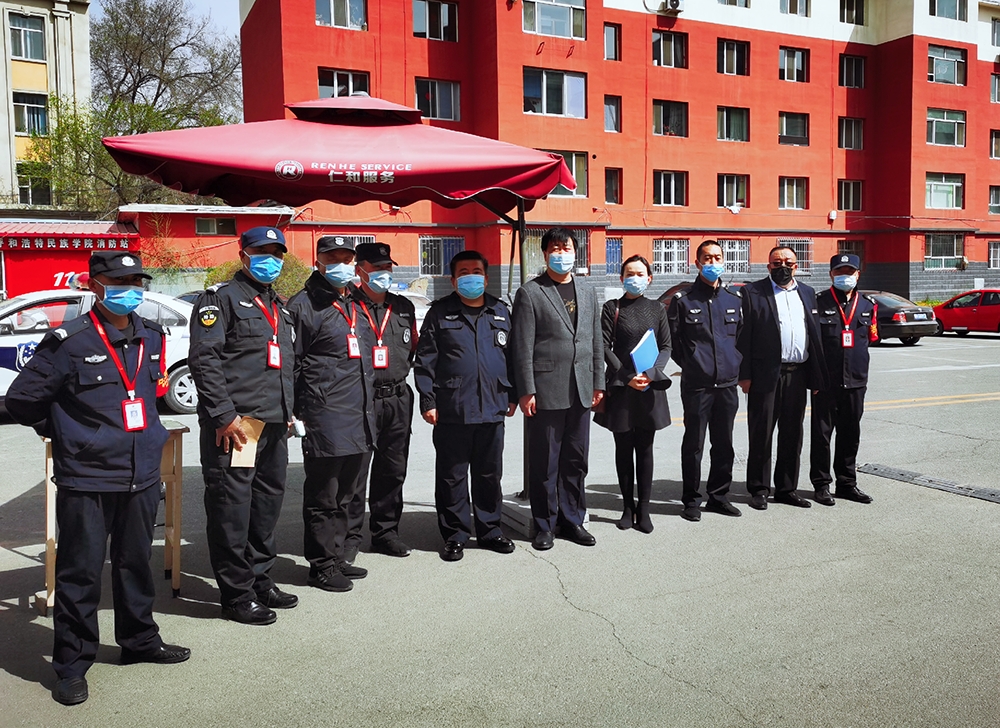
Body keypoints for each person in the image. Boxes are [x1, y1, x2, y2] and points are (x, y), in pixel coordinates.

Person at [6, 252, 190, 706]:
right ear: (94, 285)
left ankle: (139, 640)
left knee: (135, 564)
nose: (130, 289)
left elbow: (147, 394)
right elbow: (23, 400)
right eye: (119, 281)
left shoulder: (151, 335)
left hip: (140, 474)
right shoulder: (68, 341)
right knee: (80, 573)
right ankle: (72, 665)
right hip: (86, 478)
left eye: (137, 281)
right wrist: (67, 432)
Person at [188, 226, 298, 626]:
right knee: (232, 509)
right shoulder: (220, 300)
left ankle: (260, 580)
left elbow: (284, 364)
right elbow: (205, 359)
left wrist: (289, 410)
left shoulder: (278, 304)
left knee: (266, 506)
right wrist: (224, 415)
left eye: (277, 253)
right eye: (261, 251)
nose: (271, 259)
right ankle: (236, 595)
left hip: (273, 423)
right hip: (239, 425)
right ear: (243, 254)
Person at [414, 250, 518, 561]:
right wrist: (428, 400)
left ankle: (490, 530)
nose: (471, 277)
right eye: (464, 272)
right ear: (453, 280)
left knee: (489, 474)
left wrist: (514, 395)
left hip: (492, 406)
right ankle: (455, 535)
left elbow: (512, 358)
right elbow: (425, 360)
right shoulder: (440, 313)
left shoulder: (500, 311)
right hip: (452, 408)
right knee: (452, 476)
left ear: (485, 278)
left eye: (476, 271)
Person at [286, 236, 375, 592]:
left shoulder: (352, 299)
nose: (340, 264)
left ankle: (337, 557)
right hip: (325, 415)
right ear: (318, 261)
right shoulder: (304, 305)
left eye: (346, 258)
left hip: (359, 414)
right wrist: (297, 412)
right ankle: (321, 566)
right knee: (324, 496)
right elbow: (292, 364)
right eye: (332, 258)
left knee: (347, 495)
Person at [511, 227, 604, 550]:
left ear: (576, 253)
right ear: (545, 253)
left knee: (576, 461)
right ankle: (544, 525)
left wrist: (598, 382)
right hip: (546, 389)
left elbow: (595, 340)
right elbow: (522, 346)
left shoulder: (588, 291)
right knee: (545, 463)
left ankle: (573, 519)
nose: (561, 254)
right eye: (555, 248)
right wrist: (526, 389)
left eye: (566, 248)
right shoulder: (531, 293)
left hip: (581, 388)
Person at [737, 245, 826, 510]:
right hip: (764, 376)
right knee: (761, 433)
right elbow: (744, 336)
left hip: (798, 374)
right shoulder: (753, 292)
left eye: (788, 263)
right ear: (768, 267)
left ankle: (787, 488)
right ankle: (759, 488)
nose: (782, 267)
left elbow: (814, 336)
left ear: (796, 266)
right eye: (777, 263)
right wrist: (745, 375)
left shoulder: (807, 293)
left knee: (792, 434)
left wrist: (817, 377)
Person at [345, 242, 419, 560]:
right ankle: (348, 538)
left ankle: (385, 533)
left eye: (387, 267)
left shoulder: (403, 308)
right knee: (355, 472)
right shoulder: (347, 306)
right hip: (359, 399)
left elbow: (413, 348)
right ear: (360, 270)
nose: (383, 273)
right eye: (376, 268)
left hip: (397, 398)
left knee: (392, 469)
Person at [667, 241, 744, 522]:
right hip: (697, 385)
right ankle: (691, 500)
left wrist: (734, 363)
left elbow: (741, 339)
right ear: (697, 263)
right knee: (694, 444)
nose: (713, 262)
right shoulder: (683, 300)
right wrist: (692, 364)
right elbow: (673, 342)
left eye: (718, 257)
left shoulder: (734, 299)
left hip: (727, 385)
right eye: (707, 258)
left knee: (724, 444)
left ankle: (719, 496)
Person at [594, 255, 672, 533]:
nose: (635, 278)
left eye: (640, 274)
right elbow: (604, 346)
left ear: (649, 278)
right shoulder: (612, 308)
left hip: (649, 386)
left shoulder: (657, 308)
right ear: (621, 278)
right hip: (622, 386)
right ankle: (627, 507)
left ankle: (644, 509)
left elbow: (666, 346)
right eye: (630, 274)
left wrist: (651, 374)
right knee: (624, 449)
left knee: (645, 449)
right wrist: (627, 377)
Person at [810, 254, 877, 505]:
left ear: (858, 274)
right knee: (822, 436)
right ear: (831, 274)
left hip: (856, 381)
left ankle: (847, 484)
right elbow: (812, 344)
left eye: (849, 272)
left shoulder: (867, 305)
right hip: (825, 382)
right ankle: (821, 485)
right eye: (839, 272)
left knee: (850, 434)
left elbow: (870, 339)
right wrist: (814, 379)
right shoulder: (818, 302)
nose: (844, 276)